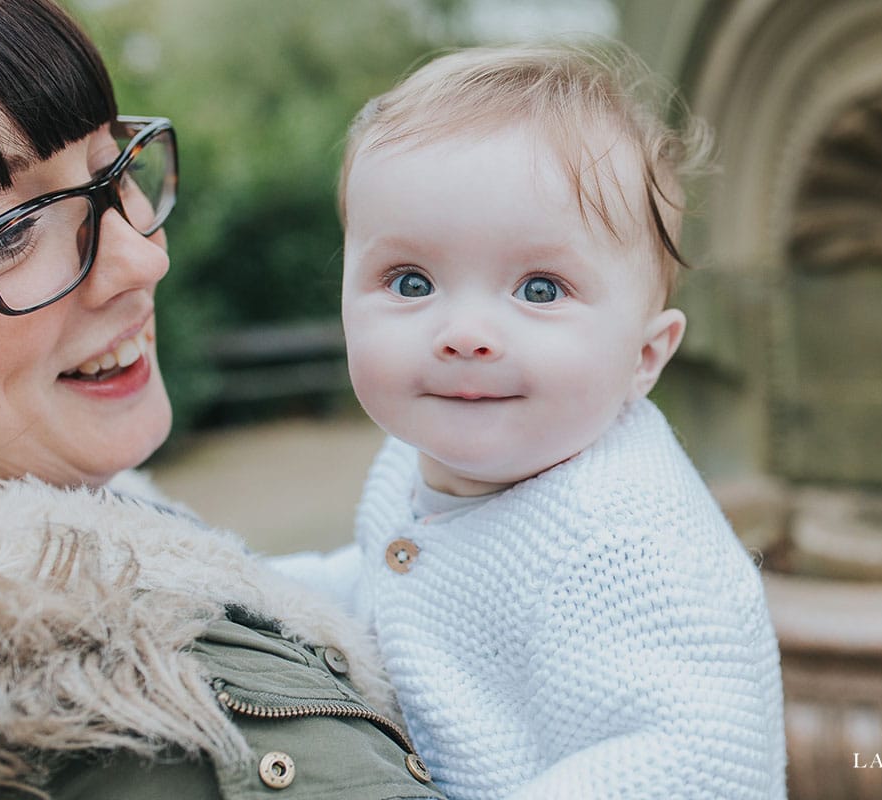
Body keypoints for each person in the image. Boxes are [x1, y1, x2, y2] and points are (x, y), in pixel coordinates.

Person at [0, 1, 444, 797]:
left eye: (114, 167)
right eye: (11, 230)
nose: (139, 261)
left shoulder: (133, 553)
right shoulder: (75, 710)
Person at [276, 42, 787, 799]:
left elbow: (699, 758)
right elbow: (387, 586)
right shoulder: (417, 457)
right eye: (411, 281)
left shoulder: (622, 546)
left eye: (541, 290)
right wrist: (246, 587)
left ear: (645, 357)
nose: (466, 331)